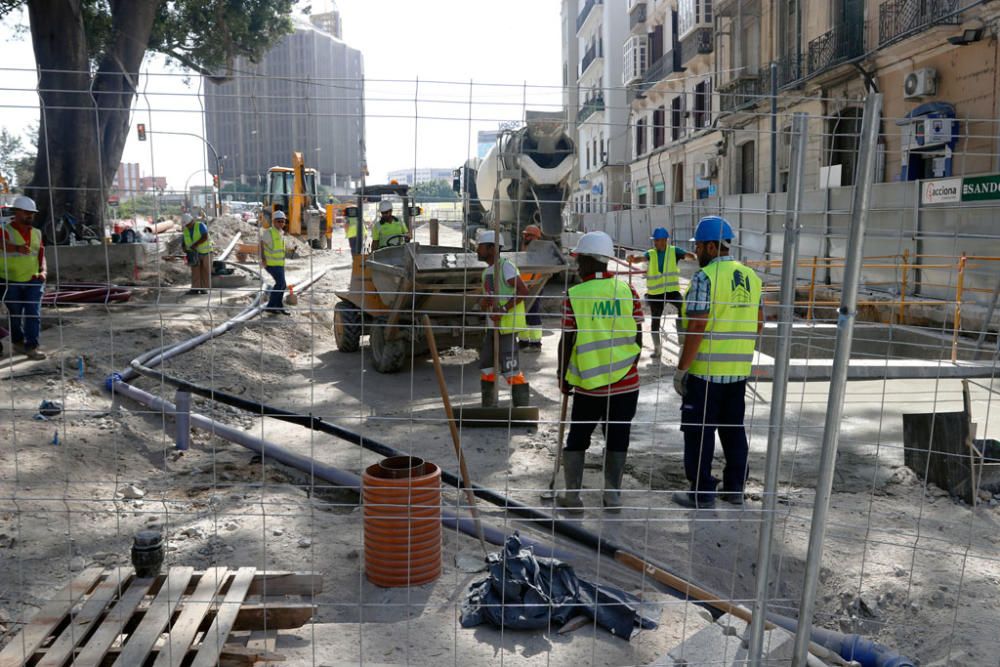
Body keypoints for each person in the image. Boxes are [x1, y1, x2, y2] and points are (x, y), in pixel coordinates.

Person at [672, 216, 763, 509]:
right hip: (737, 373)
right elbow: (759, 324)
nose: (696, 252)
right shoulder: (752, 277)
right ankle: (735, 487)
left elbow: (697, 327)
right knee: (733, 429)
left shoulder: (705, 277)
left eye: (699, 246)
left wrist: (682, 369)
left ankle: (701, 492)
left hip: (705, 373)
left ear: (712, 246)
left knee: (698, 431)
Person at [557, 231, 642, 514]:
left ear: (589, 261)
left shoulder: (575, 294)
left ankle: (572, 495)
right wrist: (627, 366)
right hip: (626, 383)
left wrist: (562, 377)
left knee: (578, 437)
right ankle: (612, 495)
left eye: (579, 261)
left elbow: (567, 339)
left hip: (588, 384)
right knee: (618, 436)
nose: (577, 267)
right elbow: (638, 336)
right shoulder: (628, 291)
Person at [477, 230, 530, 407]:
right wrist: (484, 303)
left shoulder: (505, 266)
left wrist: (504, 309)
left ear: (492, 248)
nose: (477, 250)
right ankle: (489, 404)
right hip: (492, 327)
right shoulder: (486, 272)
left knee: (510, 368)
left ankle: (521, 406)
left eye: (481, 247)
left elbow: (523, 291)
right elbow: (491, 297)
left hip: (506, 327)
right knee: (486, 366)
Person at [627, 227, 695, 361]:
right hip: (655, 293)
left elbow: (689, 256)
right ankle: (657, 349)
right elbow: (639, 259)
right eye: (655, 240)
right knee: (655, 321)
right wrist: (631, 259)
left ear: (665, 240)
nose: (655, 243)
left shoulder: (674, 251)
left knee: (683, 307)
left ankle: (681, 340)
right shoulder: (651, 253)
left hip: (671, 291)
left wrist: (691, 256)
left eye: (657, 240)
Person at [1, 195, 47, 360]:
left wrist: (44, 271)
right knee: (15, 314)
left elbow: (41, 253)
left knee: (33, 313)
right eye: (26, 212)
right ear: (16, 212)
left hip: (33, 279)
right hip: (9, 280)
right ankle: (18, 342)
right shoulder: (4, 229)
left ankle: (32, 346)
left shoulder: (37, 233)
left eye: (32, 213)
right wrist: (15, 248)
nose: (30, 216)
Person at [517, 224, 544, 352]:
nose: (525, 236)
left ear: (535, 237)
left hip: (534, 285)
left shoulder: (538, 250)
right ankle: (523, 341)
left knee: (533, 313)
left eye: (528, 235)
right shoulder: (526, 247)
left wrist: (534, 284)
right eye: (525, 234)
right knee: (522, 314)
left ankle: (535, 343)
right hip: (524, 285)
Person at [260, 210, 290, 315]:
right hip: (271, 264)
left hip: (279, 264)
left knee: (283, 285)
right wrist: (263, 259)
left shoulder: (280, 233)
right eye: (279, 221)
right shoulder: (269, 232)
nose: (281, 223)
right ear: (274, 222)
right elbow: (261, 245)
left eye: (283, 221)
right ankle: (271, 306)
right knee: (280, 283)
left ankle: (278, 306)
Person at [181, 212, 212, 295]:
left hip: (205, 252)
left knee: (205, 270)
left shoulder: (200, 225)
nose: (188, 226)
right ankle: (195, 288)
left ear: (192, 221)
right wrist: (184, 246)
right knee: (195, 271)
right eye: (186, 225)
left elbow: (205, 236)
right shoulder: (186, 229)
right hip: (193, 253)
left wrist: (195, 244)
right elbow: (184, 240)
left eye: (188, 224)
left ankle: (204, 289)